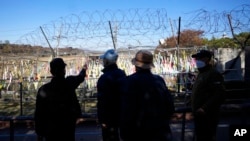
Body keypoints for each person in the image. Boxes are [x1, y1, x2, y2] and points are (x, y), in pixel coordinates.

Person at [120, 50, 175, 141]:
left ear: (136, 65)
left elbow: (127, 111)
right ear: (150, 66)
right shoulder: (159, 80)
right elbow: (170, 106)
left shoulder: (129, 81)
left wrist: (124, 133)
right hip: (160, 132)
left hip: (138, 133)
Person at [35, 58, 87, 141]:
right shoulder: (69, 83)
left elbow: (39, 113)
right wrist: (84, 69)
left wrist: (39, 132)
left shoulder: (44, 90)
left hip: (51, 130)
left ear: (51, 71)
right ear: (64, 70)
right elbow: (80, 77)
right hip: (68, 128)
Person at [191, 50, 225, 141]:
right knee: (200, 136)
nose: (196, 60)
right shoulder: (201, 73)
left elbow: (219, 94)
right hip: (199, 114)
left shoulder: (213, 74)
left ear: (206, 59)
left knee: (207, 137)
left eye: (199, 58)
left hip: (208, 115)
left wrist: (204, 108)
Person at [97, 49, 126, 141]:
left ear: (107, 61)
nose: (103, 61)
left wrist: (102, 119)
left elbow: (102, 100)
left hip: (109, 116)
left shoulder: (104, 78)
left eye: (104, 59)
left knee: (109, 137)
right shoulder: (122, 74)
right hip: (121, 113)